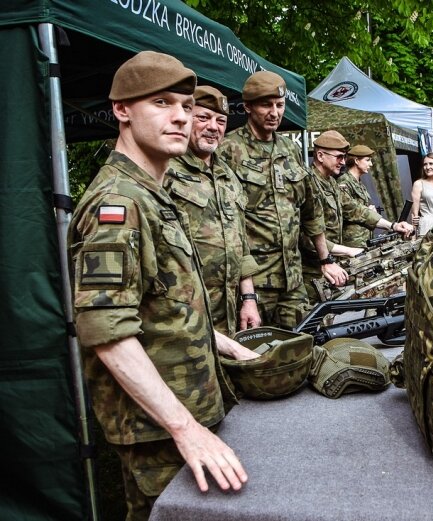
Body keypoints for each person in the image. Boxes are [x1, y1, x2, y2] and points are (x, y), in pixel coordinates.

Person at [68, 51, 260, 520]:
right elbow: (106, 330)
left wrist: (224, 344)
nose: (180, 117)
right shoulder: (118, 203)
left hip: (187, 402)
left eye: (185, 105)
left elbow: (160, 300)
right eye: (161, 103)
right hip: (157, 426)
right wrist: (184, 428)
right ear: (122, 111)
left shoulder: (150, 192)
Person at [220, 71, 347, 329]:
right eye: (266, 105)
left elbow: (311, 211)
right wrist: (246, 293)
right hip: (254, 281)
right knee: (256, 353)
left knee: (303, 343)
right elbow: (226, 223)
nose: (275, 112)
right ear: (247, 107)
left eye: (279, 105)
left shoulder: (289, 149)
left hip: (292, 279)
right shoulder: (228, 150)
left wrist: (325, 260)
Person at [166, 85, 261, 336]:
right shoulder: (164, 170)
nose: (213, 127)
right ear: (185, 119)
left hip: (229, 311)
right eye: (203, 118)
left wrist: (249, 298)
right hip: (183, 315)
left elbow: (241, 244)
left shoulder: (227, 175)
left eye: (220, 121)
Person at [301, 130, 413, 301]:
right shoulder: (306, 183)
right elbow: (303, 235)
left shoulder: (331, 182)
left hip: (329, 265)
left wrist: (393, 226)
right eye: (339, 157)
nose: (343, 162)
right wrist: (349, 251)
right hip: (309, 270)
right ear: (321, 155)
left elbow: (355, 209)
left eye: (344, 157)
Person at [340, 144, 379, 248]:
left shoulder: (359, 183)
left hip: (364, 238)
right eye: (367, 160)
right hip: (352, 241)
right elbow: (346, 209)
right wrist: (368, 210)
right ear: (356, 161)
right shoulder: (344, 181)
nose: (370, 164)